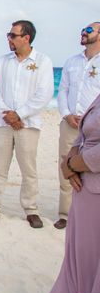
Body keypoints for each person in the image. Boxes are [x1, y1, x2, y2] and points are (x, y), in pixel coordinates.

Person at [0, 20, 54, 228]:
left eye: (12, 35)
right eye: (8, 35)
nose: (8, 38)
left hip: (27, 124)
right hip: (2, 123)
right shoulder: (3, 61)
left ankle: (31, 210)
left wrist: (19, 115)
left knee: (28, 168)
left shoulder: (43, 61)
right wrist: (8, 115)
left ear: (26, 38)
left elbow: (44, 94)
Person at [41, 92, 100, 293]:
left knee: (92, 259)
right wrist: (67, 163)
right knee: (79, 256)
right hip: (84, 189)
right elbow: (83, 135)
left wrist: (74, 164)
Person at [53, 22, 100, 229]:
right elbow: (62, 90)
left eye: (89, 30)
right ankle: (65, 213)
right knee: (66, 165)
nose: (83, 32)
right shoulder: (72, 61)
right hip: (70, 123)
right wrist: (66, 114)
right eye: (83, 29)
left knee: (89, 169)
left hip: (95, 129)